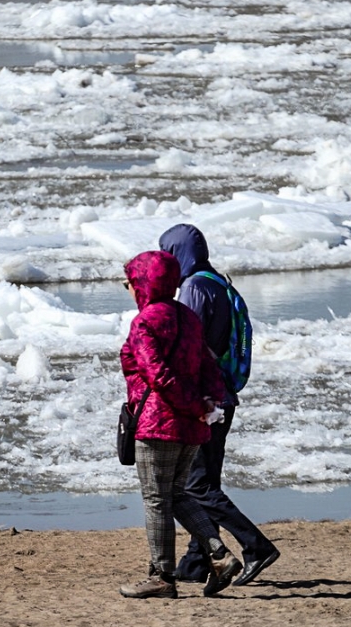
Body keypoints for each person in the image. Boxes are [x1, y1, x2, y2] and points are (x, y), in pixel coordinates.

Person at [159, 223, 280, 587]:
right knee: (204, 482)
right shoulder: (219, 282)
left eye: (167, 254)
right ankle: (198, 561)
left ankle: (256, 547)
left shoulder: (194, 287)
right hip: (223, 396)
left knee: (194, 487)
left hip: (205, 400)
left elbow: (187, 346)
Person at [118, 250, 243, 599]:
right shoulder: (188, 317)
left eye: (129, 281)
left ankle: (161, 576)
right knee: (176, 494)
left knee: (156, 499)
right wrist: (206, 406)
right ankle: (218, 555)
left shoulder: (145, 322)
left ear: (143, 283)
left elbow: (157, 374)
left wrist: (190, 405)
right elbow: (208, 366)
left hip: (160, 423)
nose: (127, 287)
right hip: (191, 425)